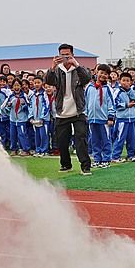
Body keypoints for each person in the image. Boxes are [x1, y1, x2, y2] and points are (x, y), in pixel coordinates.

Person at [44, 43, 93, 174]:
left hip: (78, 111)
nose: (65, 57)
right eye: (62, 55)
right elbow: (49, 81)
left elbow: (87, 79)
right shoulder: (57, 69)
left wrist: (76, 64)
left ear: (72, 55)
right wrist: (52, 67)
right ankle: (66, 164)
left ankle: (85, 166)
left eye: (67, 55)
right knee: (62, 141)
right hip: (62, 111)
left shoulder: (78, 69)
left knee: (81, 139)